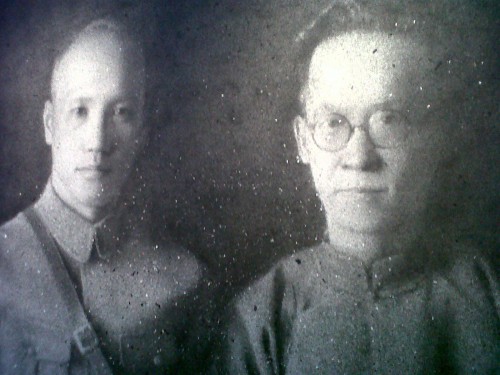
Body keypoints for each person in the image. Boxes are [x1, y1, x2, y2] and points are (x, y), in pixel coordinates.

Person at [215, 1, 499, 373]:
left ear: (433, 140)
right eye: (333, 123)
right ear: (303, 141)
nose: (360, 157)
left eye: (389, 120)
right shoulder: (261, 316)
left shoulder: (483, 296)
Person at [0, 18, 211, 374]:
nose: (98, 141)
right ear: (50, 124)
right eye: (79, 111)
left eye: (121, 113)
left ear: (141, 132)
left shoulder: (186, 280)